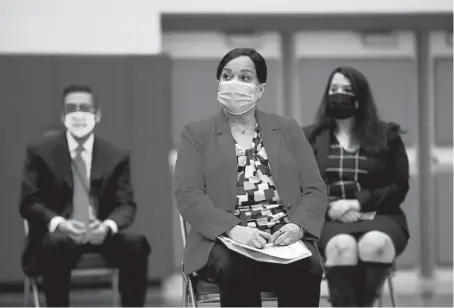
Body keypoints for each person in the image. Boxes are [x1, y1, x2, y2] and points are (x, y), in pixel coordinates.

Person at [174, 48, 329, 307]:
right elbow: (187, 194)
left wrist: (297, 227)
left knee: (308, 267)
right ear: (218, 84)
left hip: (283, 235)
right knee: (239, 270)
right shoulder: (197, 133)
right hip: (223, 240)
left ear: (260, 89)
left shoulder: (287, 129)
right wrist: (233, 230)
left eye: (245, 77)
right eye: (227, 76)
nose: (234, 83)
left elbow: (315, 188)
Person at [19, 85, 151, 307]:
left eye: (85, 108)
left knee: (137, 244)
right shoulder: (40, 153)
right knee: (57, 244)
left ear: (97, 115)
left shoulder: (115, 156)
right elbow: (29, 202)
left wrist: (107, 226)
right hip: (58, 236)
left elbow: (126, 205)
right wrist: (60, 224)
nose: (78, 114)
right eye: (71, 109)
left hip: (99, 234)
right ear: (63, 116)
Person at [303, 66, 410, 307]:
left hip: (380, 214)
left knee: (376, 244)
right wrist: (331, 207)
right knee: (342, 247)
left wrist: (359, 202)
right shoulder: (310, 138)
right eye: (334, 89)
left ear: (360, 96)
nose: (339, 94)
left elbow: (399, 186)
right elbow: (301, 186)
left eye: (347, 90)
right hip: (328, 218)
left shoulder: (387, 136)